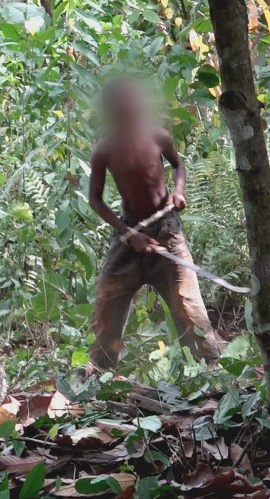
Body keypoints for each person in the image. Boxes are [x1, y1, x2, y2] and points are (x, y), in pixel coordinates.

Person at [87, 78, 224, 370]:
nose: (131, 109)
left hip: (167, 229)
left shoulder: (158, 136)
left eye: (134, 103)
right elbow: (95, 200)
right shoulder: (105, 149)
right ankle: (101, 371)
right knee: (108, 300)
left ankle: (209, 368)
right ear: (111, 112)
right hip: (129, 233)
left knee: (186, 301)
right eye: (123, 106)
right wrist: (130, 234)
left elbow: (177, 165)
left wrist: (179, 191)